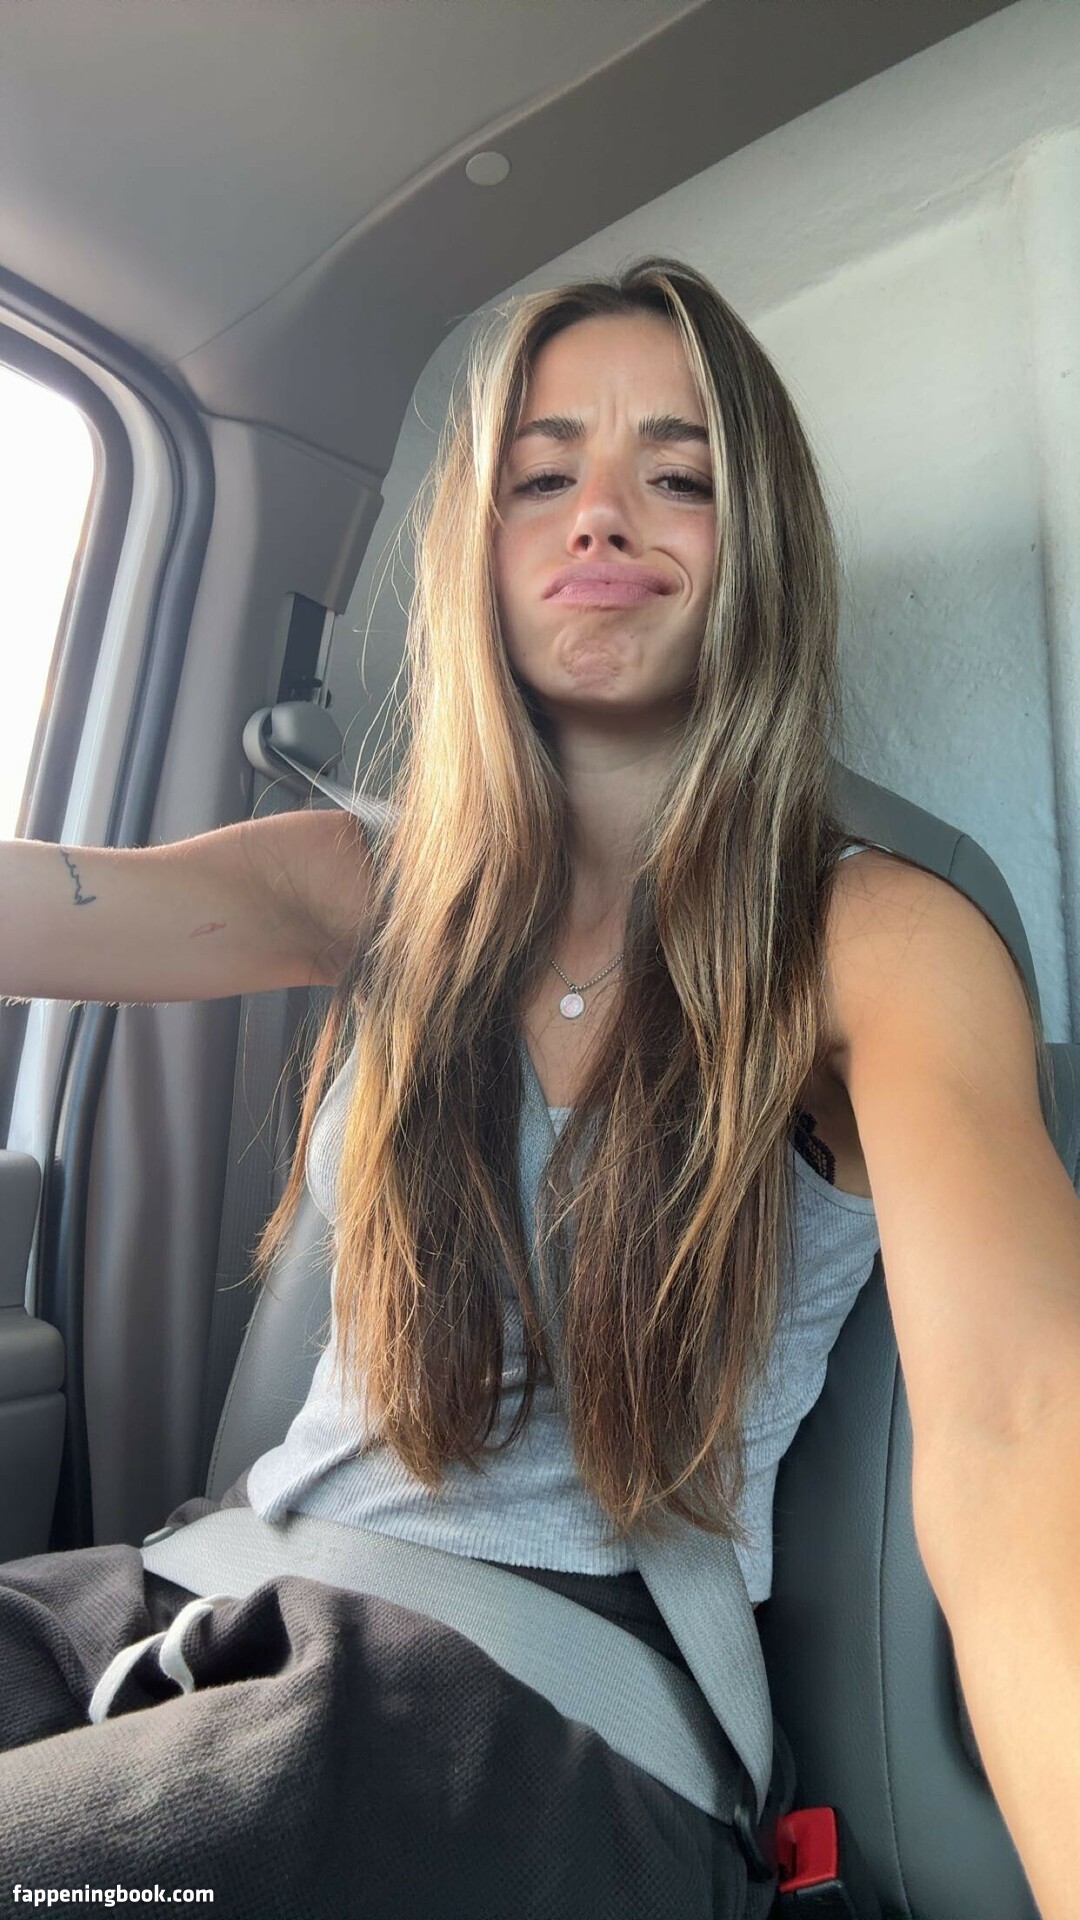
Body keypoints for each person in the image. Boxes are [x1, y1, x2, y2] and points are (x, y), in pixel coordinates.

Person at [0, 257, 1076, 1920]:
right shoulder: (372, 887)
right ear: (480, 549)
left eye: (679, 477)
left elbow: (1021, 1442)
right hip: (194, 1592)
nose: (603, 515)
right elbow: (56, 904)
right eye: (542, 474)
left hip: (532, 1698)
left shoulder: (873, 940)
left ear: (759, 547)